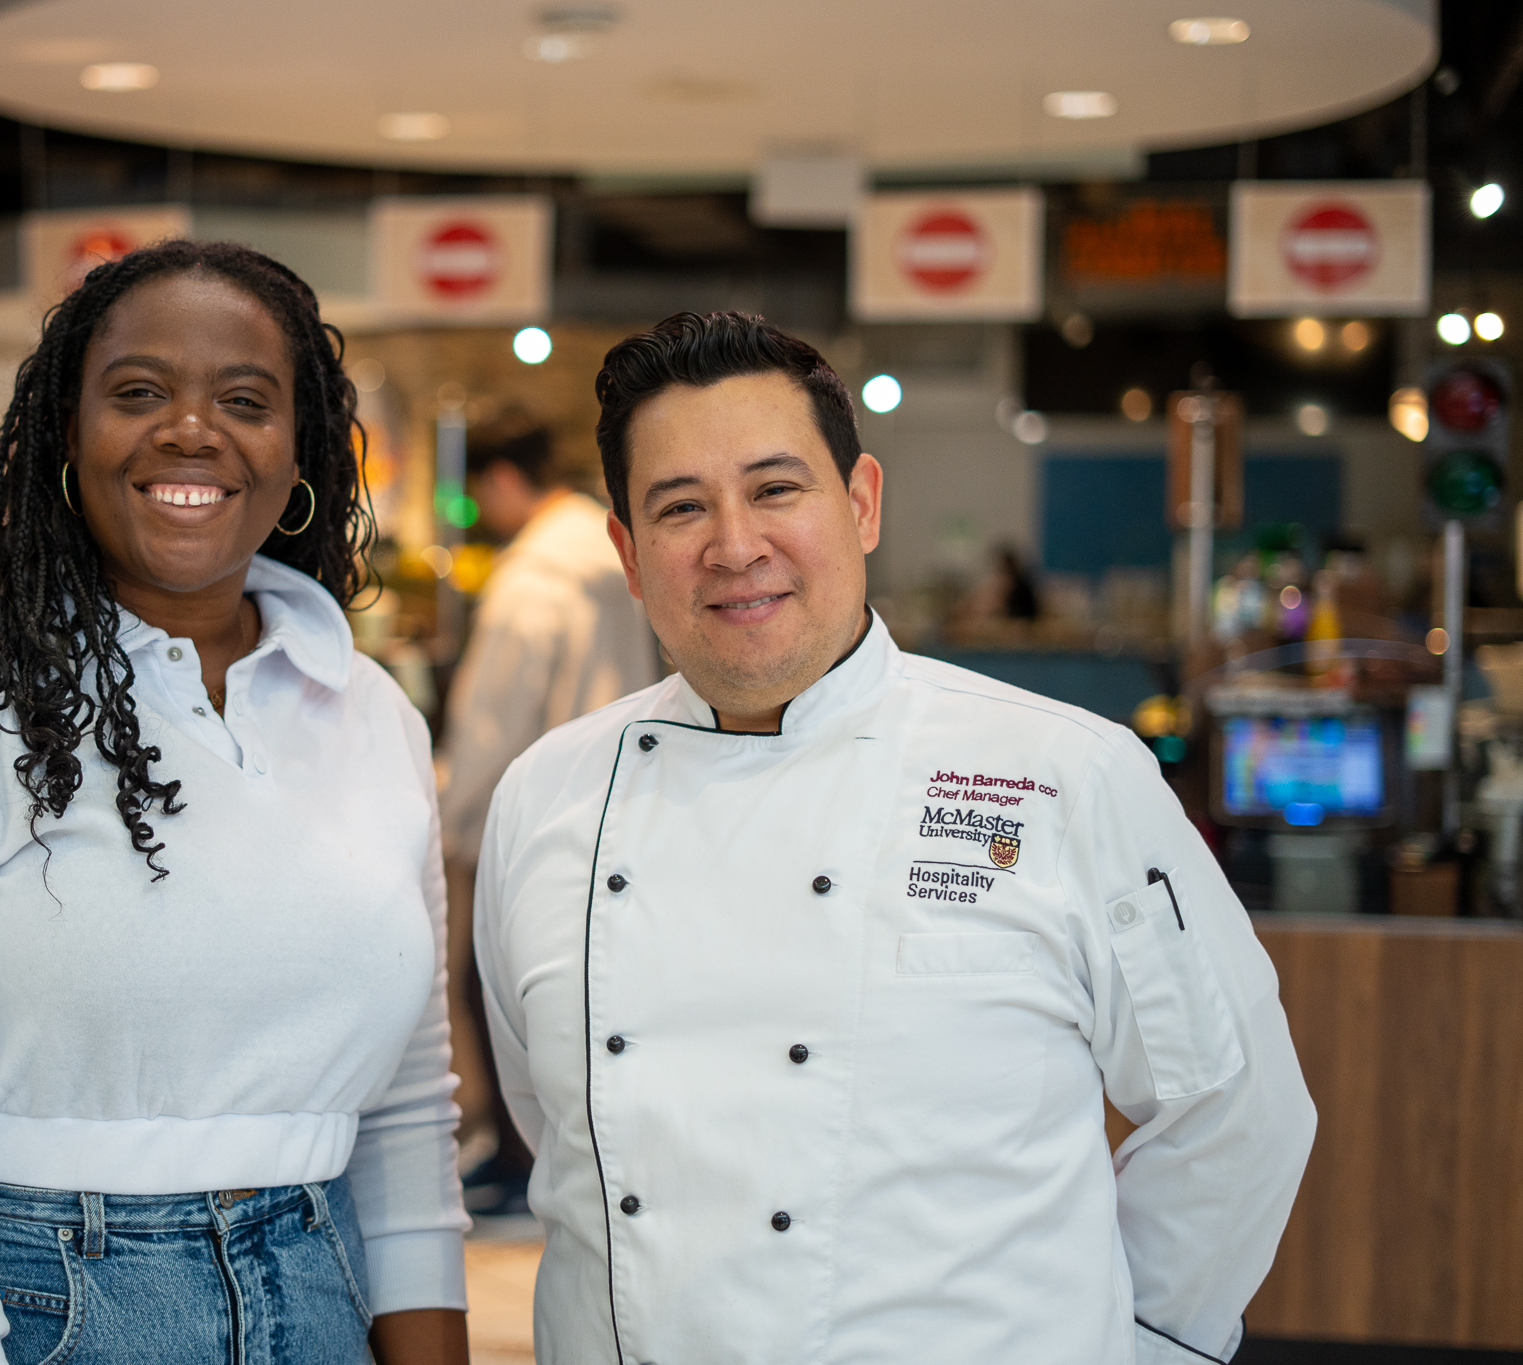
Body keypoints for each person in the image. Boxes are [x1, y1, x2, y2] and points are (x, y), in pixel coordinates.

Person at [473, 312, 1315, 1363]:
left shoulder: (1062, 775)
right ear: (629, 556)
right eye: (679, 507)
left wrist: (1134, 1344)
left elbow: (1234, 1112)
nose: (734, 547)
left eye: (775, 489)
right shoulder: (545, 799)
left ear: (860, 504)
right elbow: (551, 1125)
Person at [0, 241, 470, 1365]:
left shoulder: (366, 712)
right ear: (59, 441)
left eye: (245, 399)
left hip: (320, 1293)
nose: (191, 429)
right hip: (23, 1306)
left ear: (301, 452)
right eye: (137, 393)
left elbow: (407, 1106)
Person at [439, 415, 659, 1216]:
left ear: (501, 482)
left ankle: (515, 1151)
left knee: (489, 979)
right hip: (617, 796)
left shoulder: (531, 579)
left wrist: (453, 816)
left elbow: (492, 722)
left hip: (524, 815)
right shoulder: (615, 562)